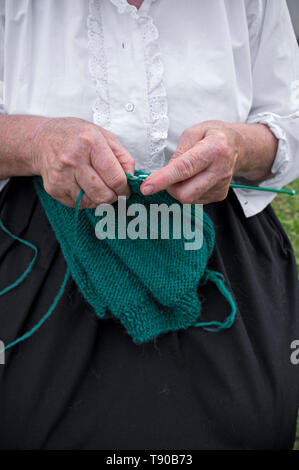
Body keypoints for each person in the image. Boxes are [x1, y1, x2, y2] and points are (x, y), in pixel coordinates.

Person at [0, 0, 298, 450]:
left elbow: (289, 114)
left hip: (218, 240)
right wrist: (35, 142)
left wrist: (240, 146)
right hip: (48, 246)